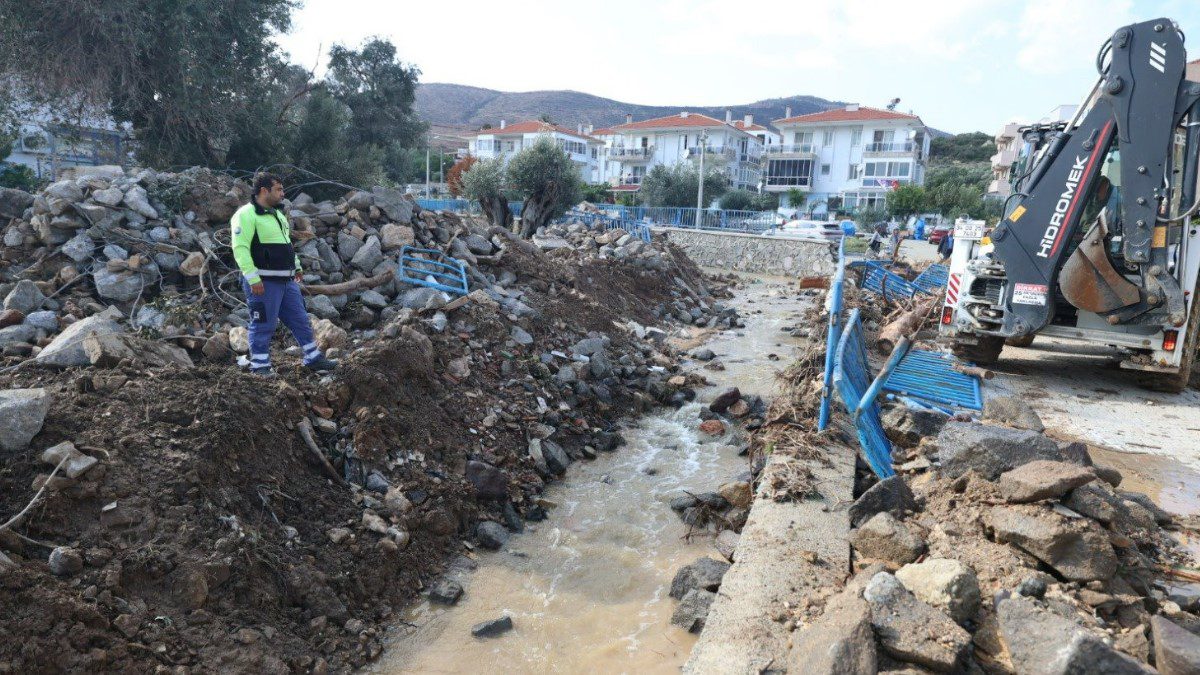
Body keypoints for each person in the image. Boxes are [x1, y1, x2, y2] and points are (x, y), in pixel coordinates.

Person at [231, 173, 337, 376]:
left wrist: (295, 266)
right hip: (263, 282)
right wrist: (253, 278)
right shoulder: (246, 215)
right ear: (264, 191)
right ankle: (260, 367)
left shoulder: (277, 214)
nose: (282, 193)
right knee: (263, 324)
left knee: (300, 319)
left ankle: (314, 359)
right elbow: (240, 248)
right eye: (278, 189)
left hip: (286, 281)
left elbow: (286, 245)